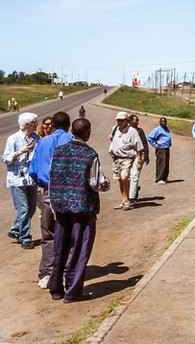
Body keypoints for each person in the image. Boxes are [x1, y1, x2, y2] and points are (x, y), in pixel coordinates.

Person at [47, 118, 110, 303]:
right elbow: (95, 183)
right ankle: (72, 291)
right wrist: (106, 184)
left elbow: (52, 179)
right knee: (79, 250)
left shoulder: (58, 151)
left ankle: (56, 288)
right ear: (88, 132)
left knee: (60, 248)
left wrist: (54, 205)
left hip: (61, 208)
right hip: (82, 209)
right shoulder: (90, 154)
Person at [28, 111, 73, 288]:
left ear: (52, 125)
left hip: (47, 191)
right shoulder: (72, 141)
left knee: (48, 234)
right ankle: (65, 272)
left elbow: (33, 170)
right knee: (68, 232)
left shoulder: (42, 142)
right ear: (68, 125)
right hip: (68, 192)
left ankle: (47, 273)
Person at [3, 112, 40, 248]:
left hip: (31, 179)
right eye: (34, 122)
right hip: (17, 180)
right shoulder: (13, 139)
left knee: (31, 209)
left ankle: (14, 229)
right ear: (26, 125)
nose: (37, 124)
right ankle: (25, 237)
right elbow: (5, 158)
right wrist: (19, 152)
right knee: (23, 209)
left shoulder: (36, 138)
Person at [107, 111, 144, 210]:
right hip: (116, 158)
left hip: (127, 158)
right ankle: (124, 200)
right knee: (120, 179)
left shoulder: (132, 131)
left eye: (122, 120)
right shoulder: (115, 129)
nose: (119, 122)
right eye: (118, 120)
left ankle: (127, 200)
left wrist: (139, 161)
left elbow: (139, 147)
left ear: (126, 121)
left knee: (124, 178)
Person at [126, 115, 149, 203]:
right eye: (136, 120)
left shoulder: (140, 131)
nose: (138, 122)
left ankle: (132, 198)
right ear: (130, 121)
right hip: (128, 155)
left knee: (134, 175)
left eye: (138, 120)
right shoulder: (126, 130)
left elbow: (144, 143)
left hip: (139, 155)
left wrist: (146, 155)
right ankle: (134, 190)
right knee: (127, 176)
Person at [147, 117, 172, 184]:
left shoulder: (166, 128)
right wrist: (155, 145)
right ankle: (159, 178)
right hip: (161, 149)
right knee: (161, 163)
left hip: (166, 148)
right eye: (162, 121)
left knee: (166, 163)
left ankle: (164, 178)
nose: (164, 123)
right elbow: (149, 137)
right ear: (160, 122)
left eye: (165, 121)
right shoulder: (157, 129)